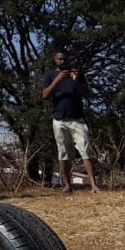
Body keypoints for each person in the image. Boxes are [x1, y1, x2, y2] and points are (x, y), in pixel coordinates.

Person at [42, 50, 101, 193]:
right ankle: (67, 185)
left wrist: (76, 81)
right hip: (59, 119)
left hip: (77, 119)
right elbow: (45, 95)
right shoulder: (50, 75)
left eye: (65, 60)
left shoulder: (77, 75)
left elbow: (87, 94)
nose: (63, 62)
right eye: (60, 59)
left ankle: (93, 185)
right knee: (63, 153)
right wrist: (58, 80)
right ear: (55, 60)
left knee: (85, 150)